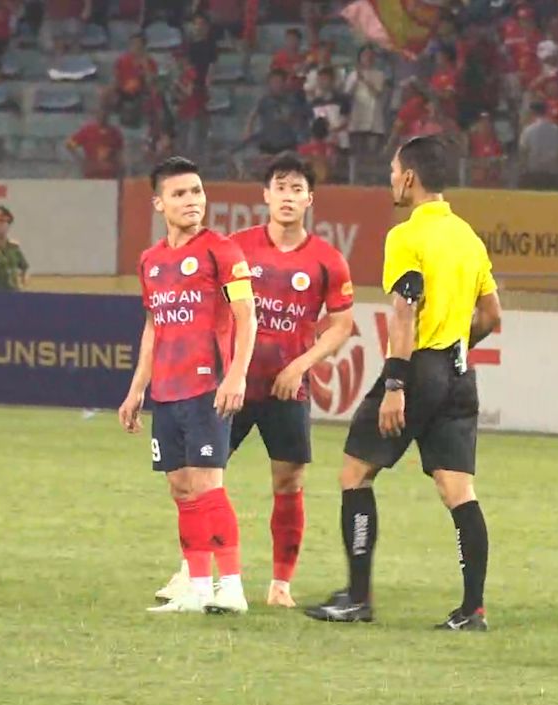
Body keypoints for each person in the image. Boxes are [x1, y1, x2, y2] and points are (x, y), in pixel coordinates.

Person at [304, 135, 501, 631]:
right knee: (459, 490)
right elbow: (492, 315)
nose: (391, 178)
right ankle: (472, 609)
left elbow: (404, 308)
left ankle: (358, 596)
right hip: (459, 373)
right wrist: (455, 344)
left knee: (355, 474)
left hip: (416, 372)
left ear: (409, 176)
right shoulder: (469, 238)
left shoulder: (407, 236)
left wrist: (397, 385)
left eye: (394, 171)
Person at [152, 152, 354, 610]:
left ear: (310, 199)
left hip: (285, 389)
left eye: (297, 189)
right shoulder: (235, 246)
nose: (288, 196)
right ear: (265, 196)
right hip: (230, 386)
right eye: (280, 187)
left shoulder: (327, 260)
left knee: (288, 481)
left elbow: (342, 324)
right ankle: (193, 573)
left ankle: (280, 583)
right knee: (194, 479)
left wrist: (301, 365)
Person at [117, 156, 256, 614]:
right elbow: (154, 326)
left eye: (196, 191)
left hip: (207, 385)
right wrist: (137, 389)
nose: (191, 201)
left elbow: (245, 316)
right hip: (166, 391)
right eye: (179, 194)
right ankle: (197, 588)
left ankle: (231, 587)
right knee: (179, 487)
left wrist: (235, 373)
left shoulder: (222, 251)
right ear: (159, 203)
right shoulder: (151, 262)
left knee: (208, 485)